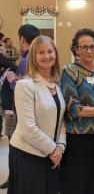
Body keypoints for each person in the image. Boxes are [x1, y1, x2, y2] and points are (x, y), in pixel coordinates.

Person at [60, 28, 94, 194]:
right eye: (84, 47)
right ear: (76, 49)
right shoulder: (69, 71)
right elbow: (74, 108)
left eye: (92, 46)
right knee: (76, 185)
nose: (89, 50)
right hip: (77, 139)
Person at [8, 35, 66, 194]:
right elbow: (27, 127)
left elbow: (61, 120)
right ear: (33, 56)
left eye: (50, 51)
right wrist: (53, 149)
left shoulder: (56, 85)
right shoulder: (25, 85)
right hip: (28, 154)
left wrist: (60, 147)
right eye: (41, 52)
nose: (47, 56)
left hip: (51, 155)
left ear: (56, 54)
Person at [1, 24, 40, 189]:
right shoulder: (33, 57)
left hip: (20, 111)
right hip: (30, 111)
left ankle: (15, 182)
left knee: (16, 147)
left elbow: (25, 89)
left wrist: (12, 80)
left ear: (22, 39)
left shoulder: (26, 59)